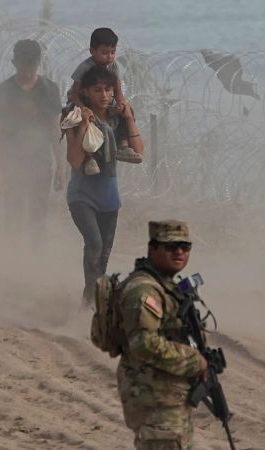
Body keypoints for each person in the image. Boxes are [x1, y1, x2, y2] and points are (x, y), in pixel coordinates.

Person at [114, 220, 208, 450]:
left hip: (167, 396)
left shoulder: (166, 286)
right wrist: (194, 360)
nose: (179, 252)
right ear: (152, 248)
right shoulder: (144, 290)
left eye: (185, 247)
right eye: (171, 246)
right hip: (154, 397)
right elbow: (143, 344)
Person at [64, 66, 143, 304]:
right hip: (82, 196)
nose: (104, 95)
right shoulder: (73, 117)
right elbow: (75, 160)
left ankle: (93, 300)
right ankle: (90, 298)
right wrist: (85, 127)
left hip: (109, 199)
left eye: (108, 89)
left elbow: (139, 153)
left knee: (104, 257)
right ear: (86, 92)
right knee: (94, 244)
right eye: (97, 90)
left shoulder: (118, 119)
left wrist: (129, 116)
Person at [0, 39, 65, 247]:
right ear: (14, 63)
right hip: (11, 163)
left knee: (38, 217)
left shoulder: (49, 89)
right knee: (13, 215)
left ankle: (36, 262)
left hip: (40, 162)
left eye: (32, 66)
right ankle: (13, 260)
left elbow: (54, 129)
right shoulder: (2, 92)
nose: (28, 71)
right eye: (23, 66)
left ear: (38, 62)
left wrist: (61, 166)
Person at [68, 28, 127, 112]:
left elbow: (118, 93)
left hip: (102, 99)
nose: (110, 56)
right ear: (92, 51)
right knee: (75, 116)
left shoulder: (114, 66)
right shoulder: (85, 67)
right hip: (80, 100)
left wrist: (121, 105)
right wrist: (83, 108)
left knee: (127, 109)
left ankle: (130, 123)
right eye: (104, 53)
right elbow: (75, 95)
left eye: (113, 52)